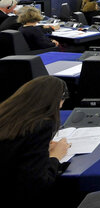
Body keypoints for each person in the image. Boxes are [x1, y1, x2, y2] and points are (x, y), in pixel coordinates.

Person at [0, 76, 71, 204]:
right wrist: (55, 156)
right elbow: (38, 183)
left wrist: (39, 149)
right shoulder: (40, 126)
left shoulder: (6, 116)